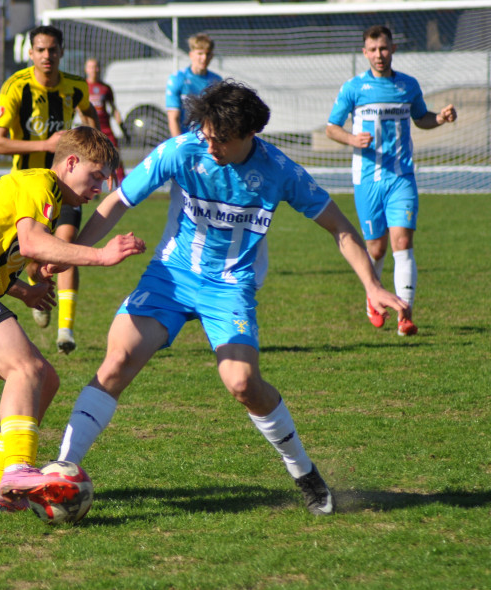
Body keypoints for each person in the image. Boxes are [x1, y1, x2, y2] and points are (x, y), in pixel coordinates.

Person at [54, 81, 410, 516]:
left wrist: (372, 284)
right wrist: (73, 254)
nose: (209, 145)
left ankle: (303, 471)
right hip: (171, 277)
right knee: (117, 361)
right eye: (205, 134)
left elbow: (340, 227)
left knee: (242, 383)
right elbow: (118, 201)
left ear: (248, 134)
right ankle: (62, 469)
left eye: (219, 139)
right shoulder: (182, 151)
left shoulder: (279, 171)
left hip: (230, 286)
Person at [0, 126, 145, 514]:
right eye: (96, 176)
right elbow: (34, 243)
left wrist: (26, 289)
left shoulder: (43, 193)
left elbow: (8, 252)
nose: (100, 187)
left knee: (44, 380)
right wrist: (102, 256)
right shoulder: (40, 183)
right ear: (71, 163)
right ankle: (17, 468)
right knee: (26, 370)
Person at [325, 25, 457, 337]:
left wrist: (440, 118)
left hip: (401, 177)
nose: (379, 55)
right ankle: (373, 295)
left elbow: (421, 118)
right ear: (364, 53)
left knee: (402, 242)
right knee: (376, 248)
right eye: (373, 50)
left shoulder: (408, 85)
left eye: (383, 48)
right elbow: (332, 127)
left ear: (393, 49)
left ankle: (405, 315)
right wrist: (352, 139)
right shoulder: (353, 88)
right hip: (368, 179)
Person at [0, 25, 98, 355]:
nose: (47, 55)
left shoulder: (75, 86)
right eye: (40, 50)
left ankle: (66, 331)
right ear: (31, 53)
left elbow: (90, 113)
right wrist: (45, 144)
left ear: (61, 52)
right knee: (34, 259)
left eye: (52, 49)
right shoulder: (15, 87)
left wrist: (94, 148)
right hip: (26, 188)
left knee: (66, 248)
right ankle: (37, 287)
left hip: (65, 185)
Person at [165, 33, 222, 139]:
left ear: (212, 56)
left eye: (208, 54)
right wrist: (180, 143)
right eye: (200, 53)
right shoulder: (178, 78)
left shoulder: (217, 80)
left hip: (208, 140)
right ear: (191, 55)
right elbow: (173, 118)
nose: (204, 58)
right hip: (185, 138)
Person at [84, 57, 128, 185]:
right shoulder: (83, 87)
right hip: (90, 129)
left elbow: (114, 109)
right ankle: (90, 186)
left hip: (105, 128)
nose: (94, 70)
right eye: (91, 67)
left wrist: (122, 126)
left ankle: (123, 186)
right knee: (90, 158)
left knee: (115, 156)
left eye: (96, 67)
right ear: (86, 69)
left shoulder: (105, 88)